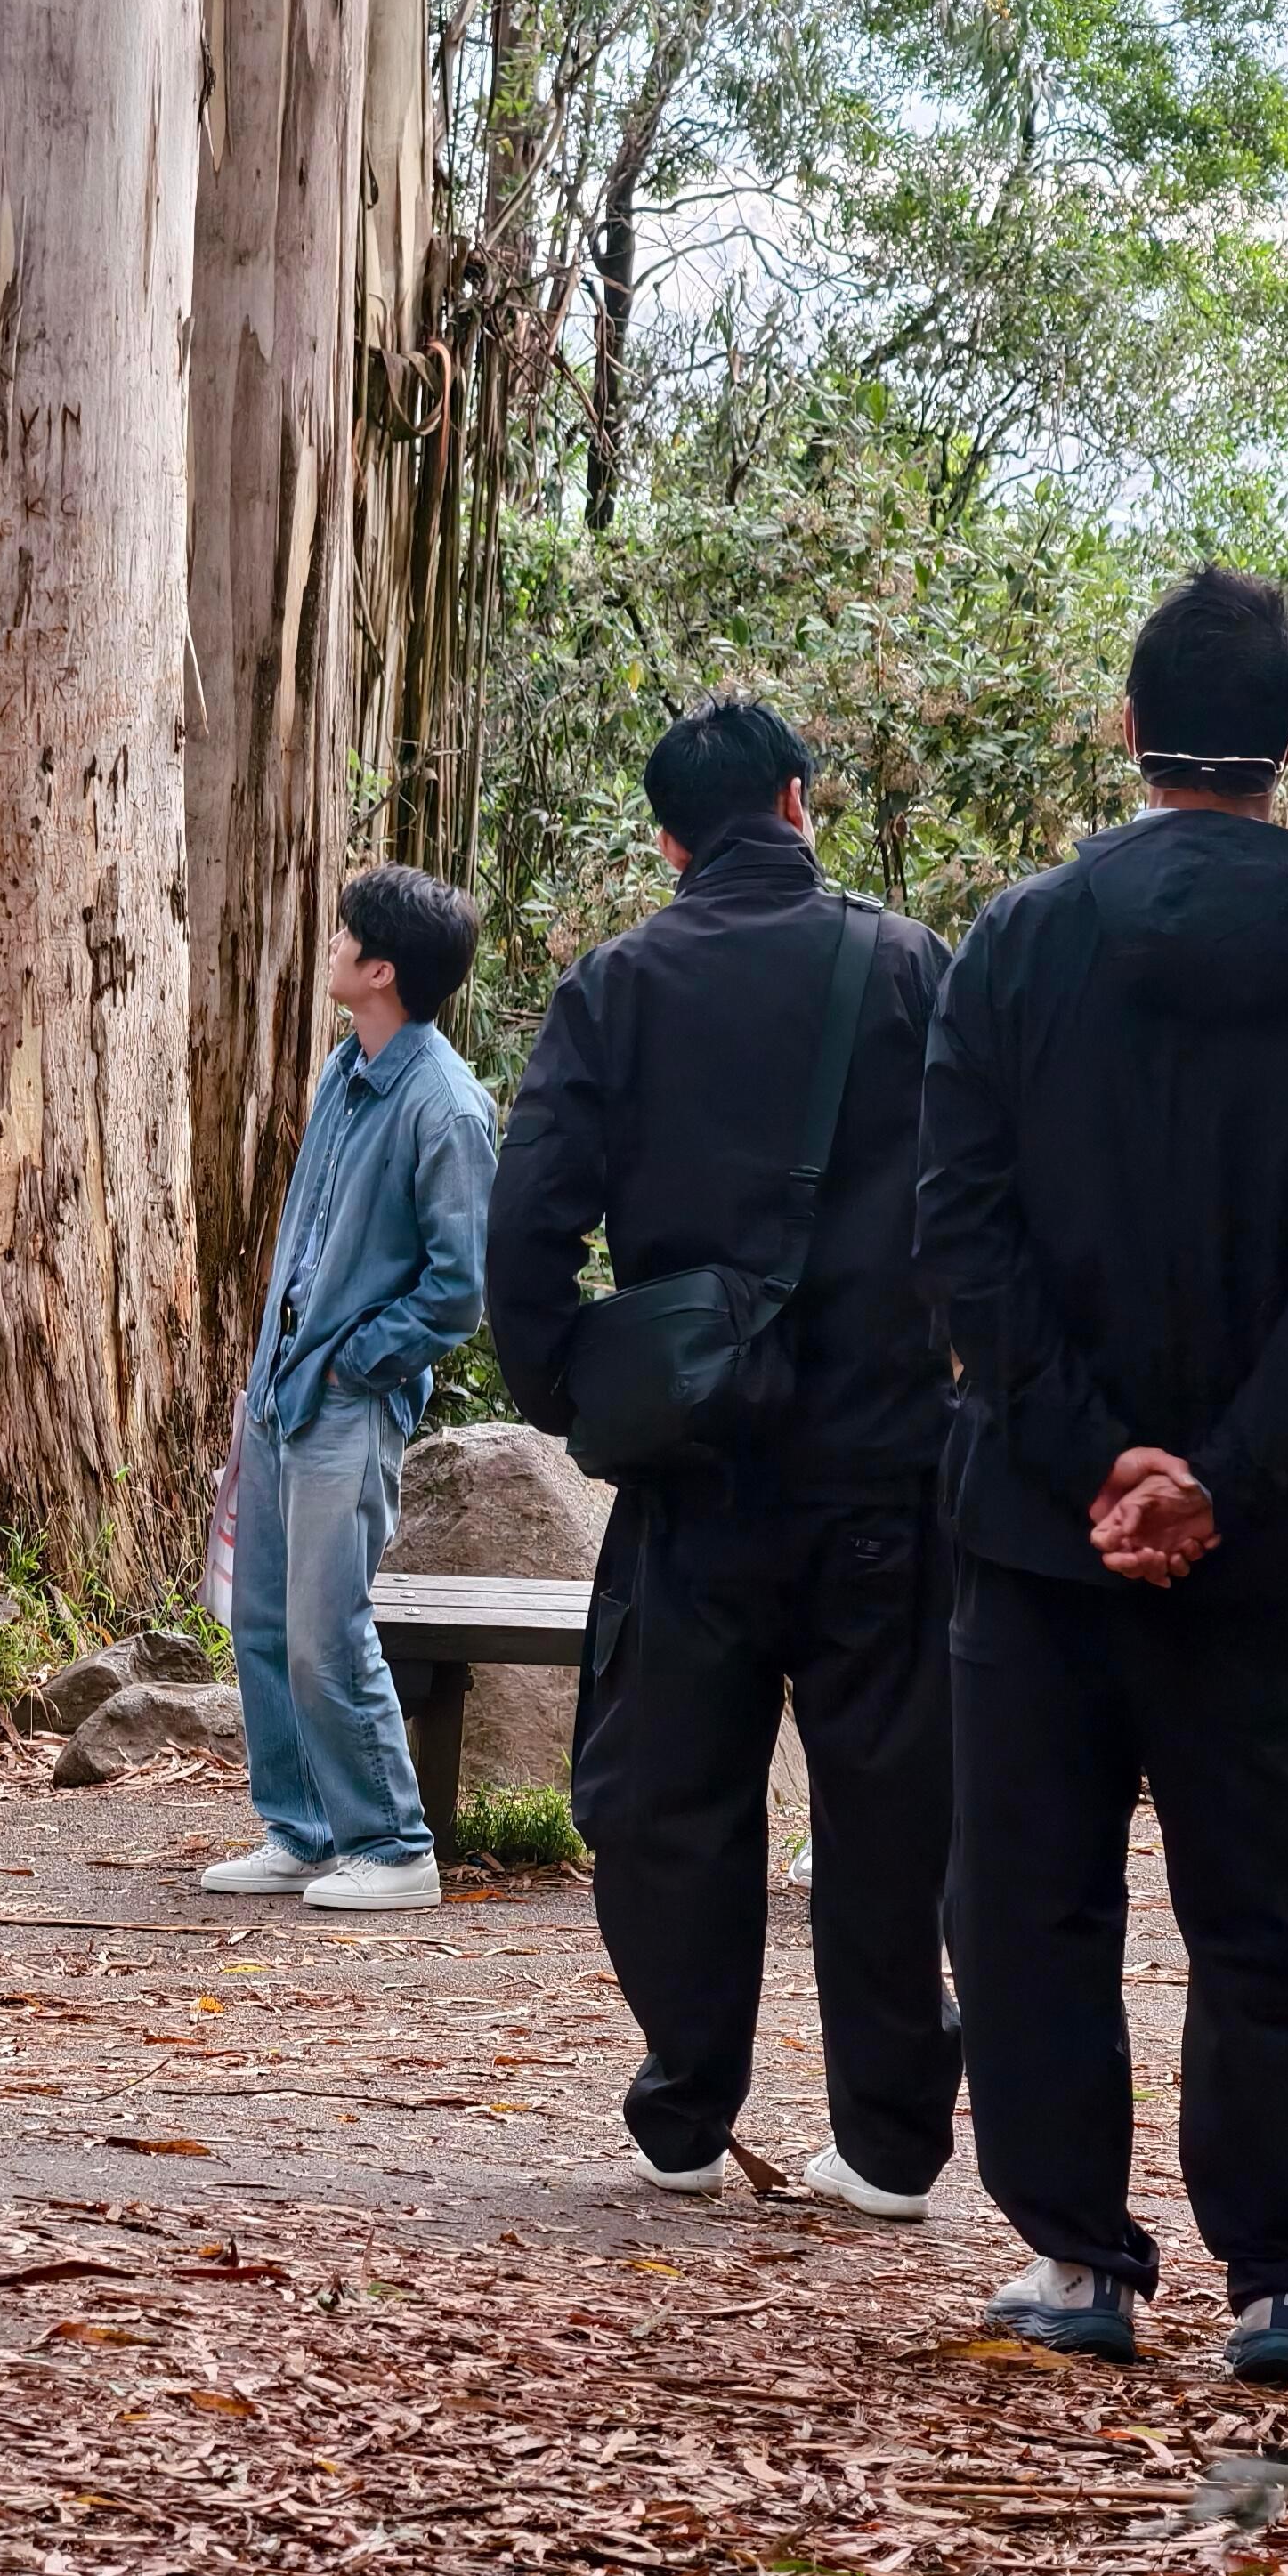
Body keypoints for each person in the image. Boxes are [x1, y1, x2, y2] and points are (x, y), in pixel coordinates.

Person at [918, 564, 1288, 2388]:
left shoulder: (1015, 944)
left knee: (1033, 1899)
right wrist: (1215, 1472)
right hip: (1267, 1535)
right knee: (1264, 1905)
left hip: (1042, 1536)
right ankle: (1280, 2279)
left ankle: (1078, 2258)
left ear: (1128, 730)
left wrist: (1090, 1459)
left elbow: (962, 1238)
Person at [488, 697, 960, 2208]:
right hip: (885, 1465)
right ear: (800, 806)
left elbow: (526, 1223)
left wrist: (577, 1390)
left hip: (695, 1470)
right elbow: (988, 1194)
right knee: (888, 1804)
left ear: (671, 839)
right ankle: (889, 2141)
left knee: (663, 1796)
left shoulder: (614, 988)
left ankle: (684, 2111)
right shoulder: (906, 970)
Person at [203, 864, 494, 1913]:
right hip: (283, 1391)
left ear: (380, 970)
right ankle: (303, 1828)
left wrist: (355, 1361)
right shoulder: (344, 1068)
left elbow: (460, 1291)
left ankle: (395, 1845)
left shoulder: (447, 1106)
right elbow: (312, 1240)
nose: (329, 947)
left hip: (349, 1400)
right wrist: (279, 1369)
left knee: (330, 1625)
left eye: (342, 938)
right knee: (265, 1623)